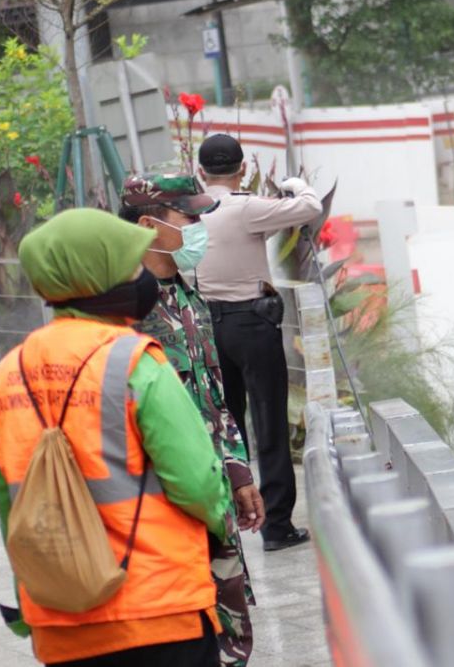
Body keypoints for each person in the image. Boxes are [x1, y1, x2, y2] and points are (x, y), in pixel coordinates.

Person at [0, 208, 231, 666]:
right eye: (130, 266)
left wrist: (28, 598)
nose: (141, 277)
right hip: (158, 610)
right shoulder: (135, 362)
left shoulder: (0, 379)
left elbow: (9, 511)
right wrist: (222, 523)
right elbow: (196, 483)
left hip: (61, 621)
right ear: (99, 276)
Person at [119, 173, 264, 667]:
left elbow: (213, 398)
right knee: (187, 636)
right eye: (189, 216)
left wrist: (238, 469)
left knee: (234, 629)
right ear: (148, 223)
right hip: (165, 502)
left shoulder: (189, 299)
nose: (200, 226)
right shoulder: (122, 309)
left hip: (212, 490)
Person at [195, 133, 321, 551]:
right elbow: (310, 207)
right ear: (242, 168)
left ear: (200, 171)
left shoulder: (188, 212)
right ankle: (277, 526)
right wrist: (295, 186)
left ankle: (233, 517)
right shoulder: (246, 207)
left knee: (227, 424)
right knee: (268, 421)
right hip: (253, 323)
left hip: (209, 328)